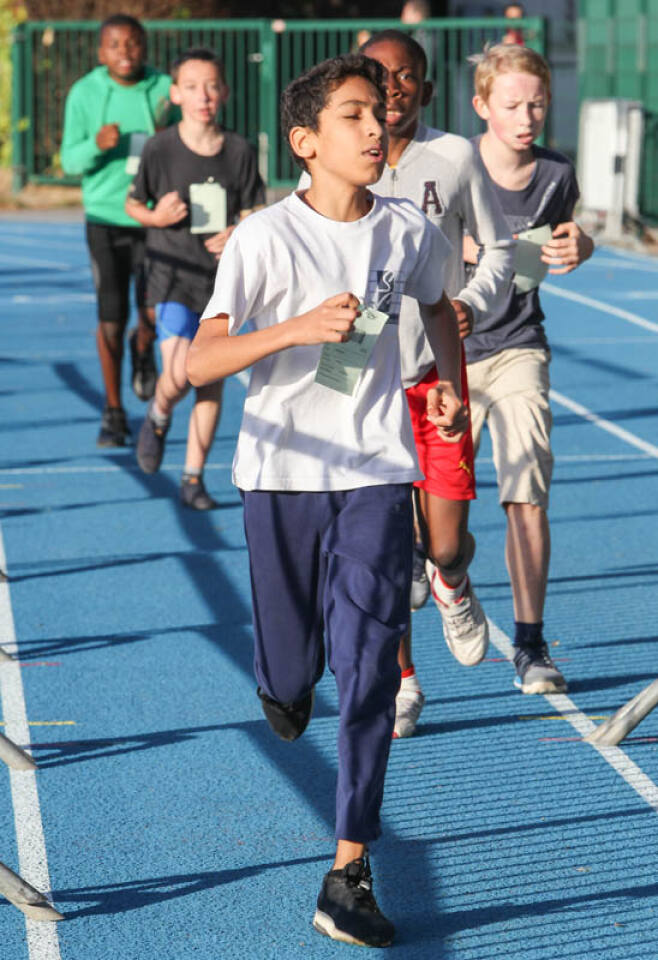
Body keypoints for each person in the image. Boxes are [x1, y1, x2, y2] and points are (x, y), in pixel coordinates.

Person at [186, 54, 467, 948]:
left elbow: (438, 306)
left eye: (380, 112)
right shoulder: (267, 238)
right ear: (305, 142)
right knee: (289, 670)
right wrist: (298, 330)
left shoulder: (405, 228)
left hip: (376, 473)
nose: (377, 126)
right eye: (353, 115)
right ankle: (282, 679)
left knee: (372, 667)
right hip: (281, 475)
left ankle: (348, 869)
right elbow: (199, 360)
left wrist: (450, 389)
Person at [359, 30, 515, 737]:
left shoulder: (453, 157)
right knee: (384, 550)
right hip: (365, 378)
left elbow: (501, 249)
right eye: (378, 74)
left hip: (436, 380)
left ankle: (451, 578)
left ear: (424, 89)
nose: (391, 88)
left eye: (405, 76)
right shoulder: (337, 157)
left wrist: (471, 303)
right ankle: (403, 682)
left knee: (443, 544)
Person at [466, 43, 594, 693]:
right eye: (512, 105)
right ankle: (445, 572)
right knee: (434, 520)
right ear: (481, 105)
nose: (526, 117)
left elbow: (562, 237)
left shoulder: (555, 173)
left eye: (537, 104)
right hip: (447, 354)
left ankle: (530, 644)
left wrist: (581, 245)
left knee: (527, 495)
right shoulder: (452, 166)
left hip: (519, 345)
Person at [125, 49, 265, 510]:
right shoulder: (158, 148)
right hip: (171, 275)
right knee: (183, 371)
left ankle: (192, 478)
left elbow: (256, 209)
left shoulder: (239, 150)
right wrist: (155, 216)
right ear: (175, 94)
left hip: (222, 282)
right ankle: (159, 410)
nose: (202, 96)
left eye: (211, 86)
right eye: (191, 87)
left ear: (224, 92)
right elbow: (133, 203)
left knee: (212, 380)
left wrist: (239, 229)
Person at [61, 14, 174, 447]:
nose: (124, 52)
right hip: (106, 220)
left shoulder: (164, 88)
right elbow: (69, 161)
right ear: (100, 52)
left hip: (153, 219)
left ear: (144, 46)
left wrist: (169, 137)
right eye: (115, 45)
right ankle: (113, 412)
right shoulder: (85, 93)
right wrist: (96, 145)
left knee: (151, 314)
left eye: (132, 43)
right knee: (110, 317)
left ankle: (142, 348)